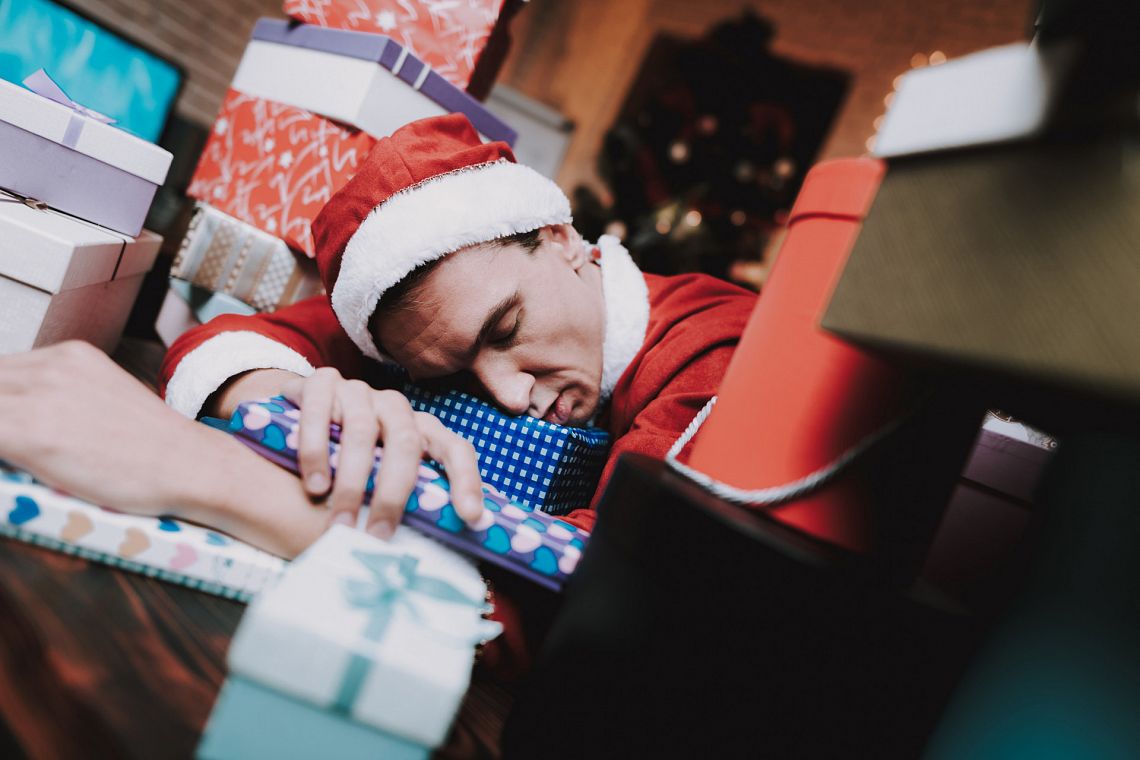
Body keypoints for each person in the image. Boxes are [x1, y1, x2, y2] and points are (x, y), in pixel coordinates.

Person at [159, 113, 757, 543]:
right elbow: (225, 345)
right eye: (451, 375)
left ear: (562, 239)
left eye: (505, 330)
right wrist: (297, 403)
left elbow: (608, 583)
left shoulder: (718, 348)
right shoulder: (427, 324)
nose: (511, 396)